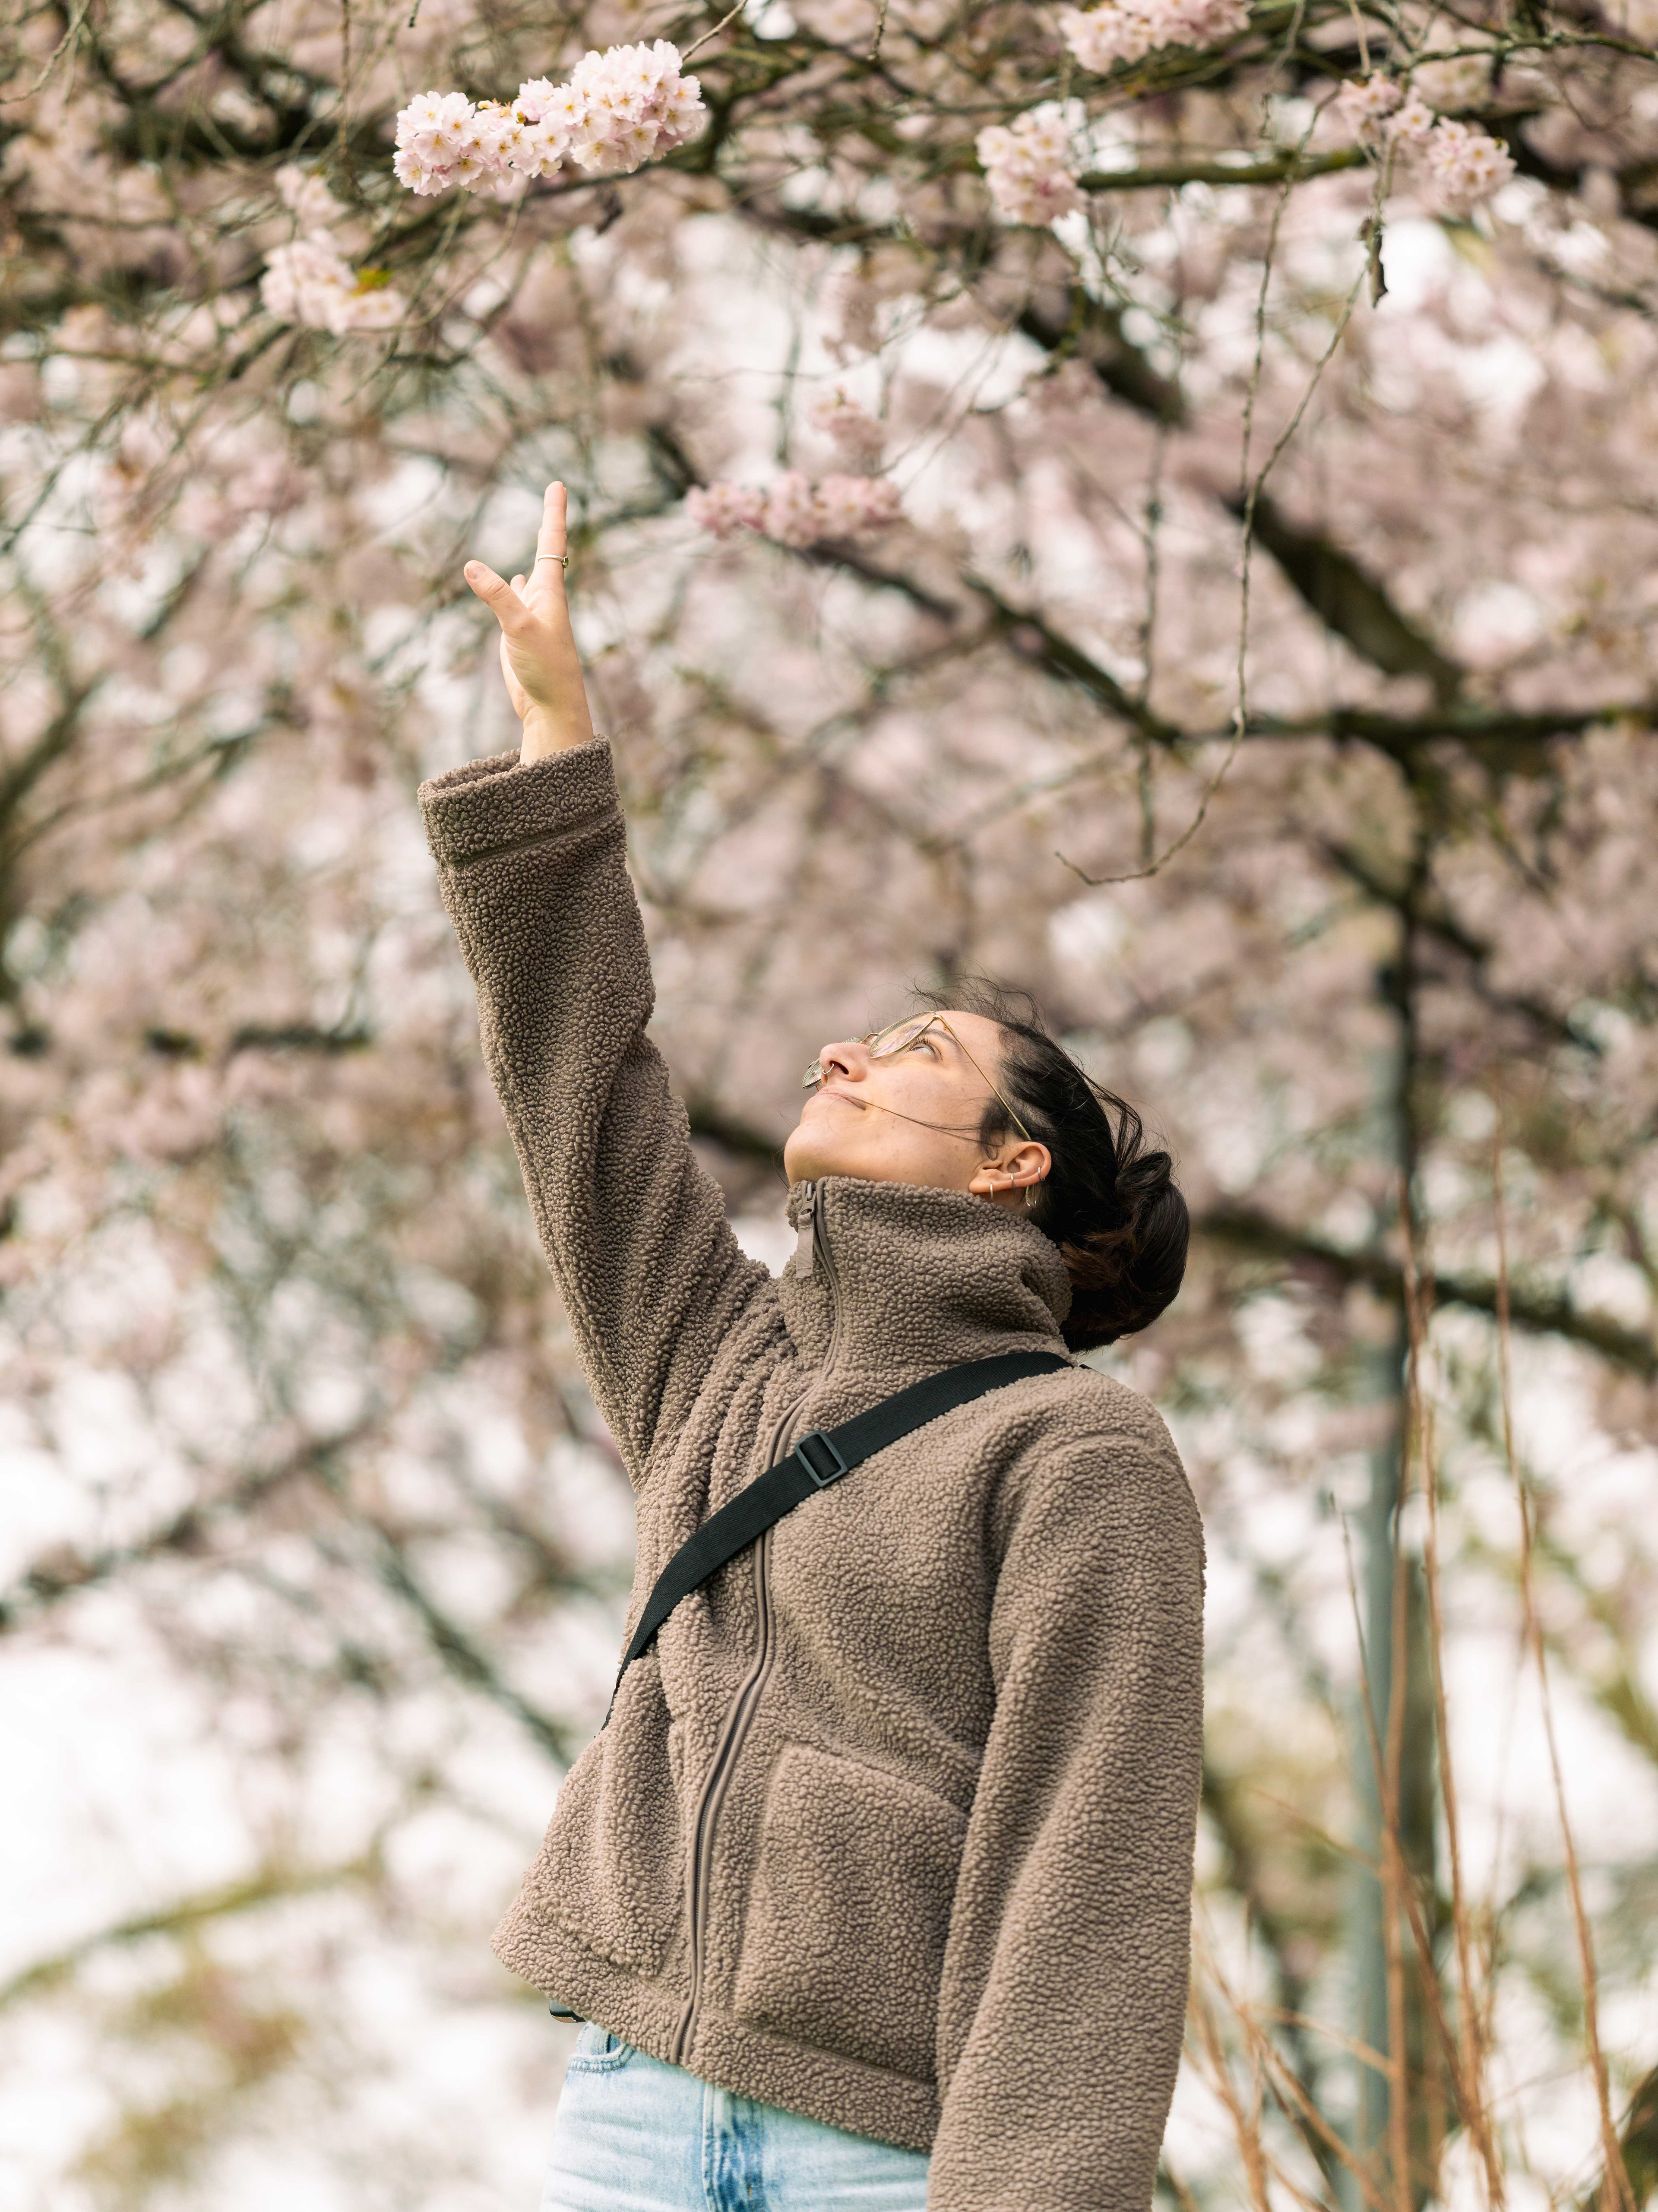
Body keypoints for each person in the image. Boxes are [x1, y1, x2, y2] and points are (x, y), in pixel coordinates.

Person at [419, 482, 1206, 2212]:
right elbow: (580, 1089)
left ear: (1011, 1163)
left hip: (887, 2152)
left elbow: (1089, 1868)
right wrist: (557, 738)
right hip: (631, 2109)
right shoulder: (724, 1365)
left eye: (918, 1051)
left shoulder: (1075, 1453)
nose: (847, 1051)